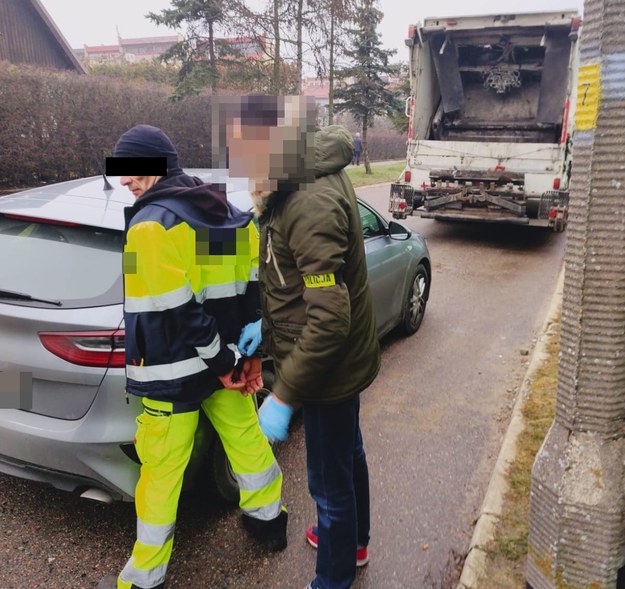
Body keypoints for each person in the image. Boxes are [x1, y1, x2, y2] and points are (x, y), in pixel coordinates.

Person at [98, 124, 287, 589]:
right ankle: (269, 522)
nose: (125, 181)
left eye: (132, 171)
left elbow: (176, 309)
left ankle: (143, 579)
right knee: (246, 440)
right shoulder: (227, 210)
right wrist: (241, 359)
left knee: (161, 473)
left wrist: (223, 364)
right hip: (225, 365)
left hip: (174, 374)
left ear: (159, 165)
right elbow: (251, 290)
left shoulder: (148, 226)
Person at [229, 96, 381, 589]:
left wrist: (283, 394)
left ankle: (332, 579)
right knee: (347, 454)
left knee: (326, 483)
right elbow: (294, 286)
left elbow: (328, 321)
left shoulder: (307, 201)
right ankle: (354, 541)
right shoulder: (291, 180)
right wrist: (266, 333)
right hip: (334, 361)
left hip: (327, 370)